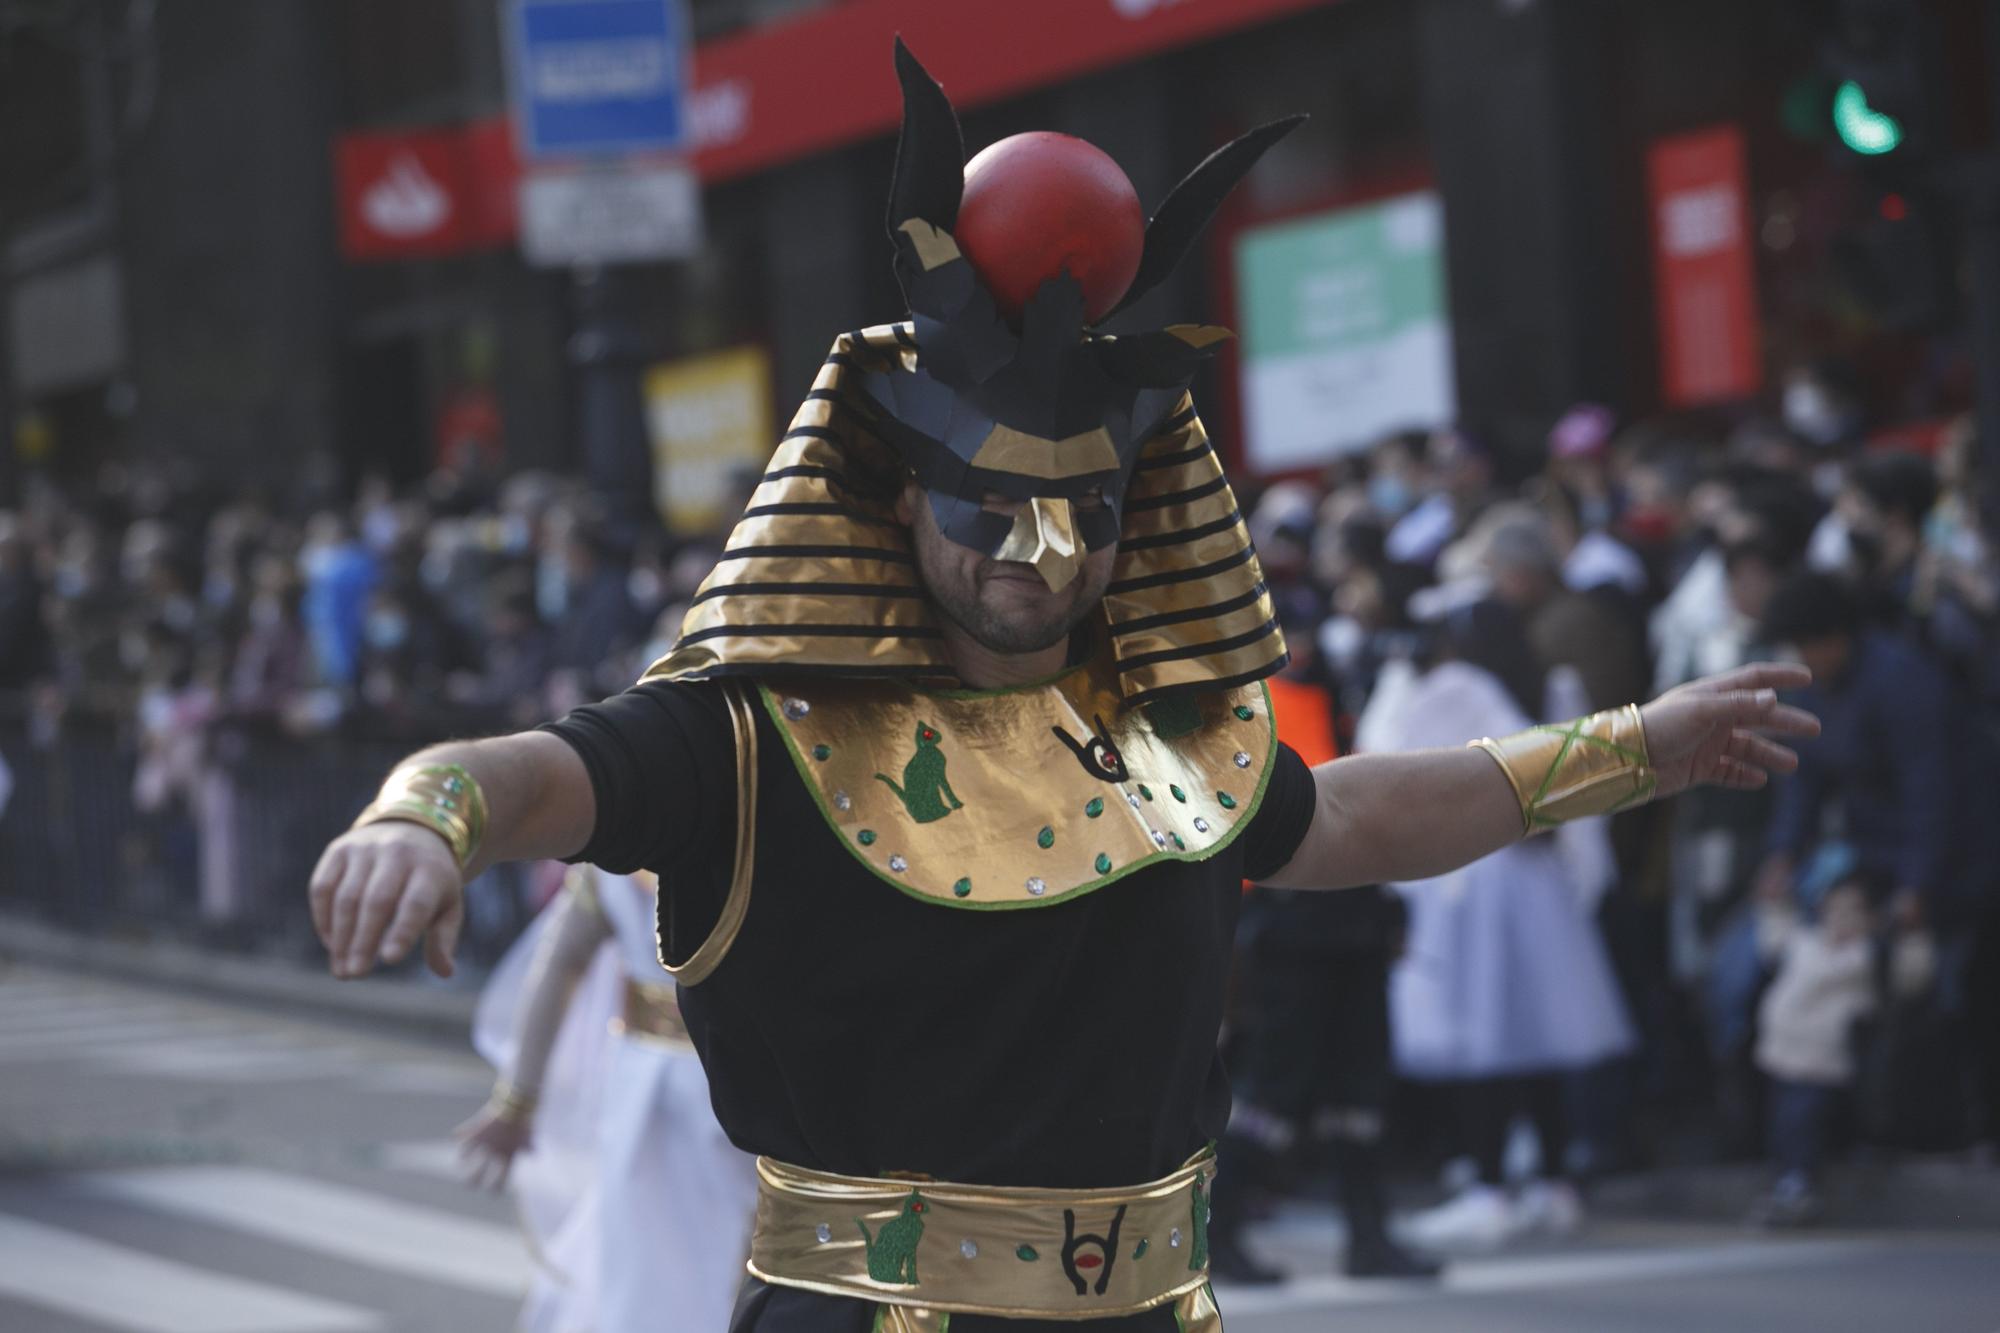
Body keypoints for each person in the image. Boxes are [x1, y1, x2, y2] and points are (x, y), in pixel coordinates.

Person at [306, 41, 1816, 1333]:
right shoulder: (751, 732)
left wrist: (1637, 747)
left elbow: (1350, 819)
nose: (1040, 549)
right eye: (988, 505)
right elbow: (540, 773)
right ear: (900, 503)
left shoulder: (1165, 735)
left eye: (1085, 511)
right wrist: (420, 815)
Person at [1359, 596, 1633, 1250]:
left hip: (1476, 878)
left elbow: (1386, 758)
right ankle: (1554, 1182)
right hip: (1542, 882)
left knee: (1481, 1033)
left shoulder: (1455, 686)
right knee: (1539, 1033)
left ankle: (1488, 1184)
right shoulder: (1551, 682)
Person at [460, 865, 757, 1332]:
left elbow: (563, 962)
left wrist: (518, 1101)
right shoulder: (740, 840)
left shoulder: (624, 843)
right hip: (684, 1086)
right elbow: (562, 962)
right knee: (650, 1258)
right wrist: (516, 1101)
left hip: (700, 1085)